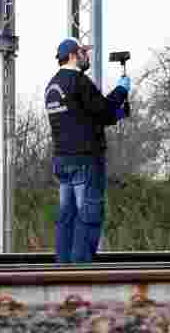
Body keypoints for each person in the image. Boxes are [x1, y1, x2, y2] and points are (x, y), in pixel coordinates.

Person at [44, 37, 131, 264]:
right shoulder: (79, 81)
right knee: (89, 214)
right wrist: (121, 90)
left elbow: (87, 117)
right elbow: (102, 108)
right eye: (84, 52)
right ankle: (81, 271)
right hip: (85, 160)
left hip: (63, 161)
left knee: (67, 216)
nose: (87, 57)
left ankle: (63, 268)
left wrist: (118, 115)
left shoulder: (52, 87)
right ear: (73, 55)